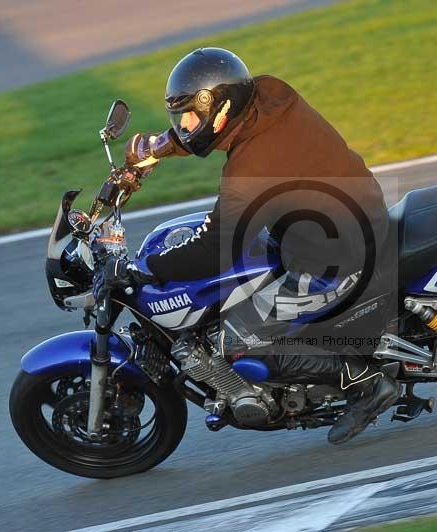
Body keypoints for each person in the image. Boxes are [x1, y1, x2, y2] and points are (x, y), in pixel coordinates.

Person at [108, 47, 400, 444]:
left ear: (222, 107)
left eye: (193, 115)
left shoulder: (251, 169)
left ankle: (366, 383)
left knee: (238, 338)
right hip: (343, 217)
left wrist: (149, 269)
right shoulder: (269, 93)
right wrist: (158, 147)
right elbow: (209, 132)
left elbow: (215, 248)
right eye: (182, 117)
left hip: (339, 259)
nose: (187, 125)